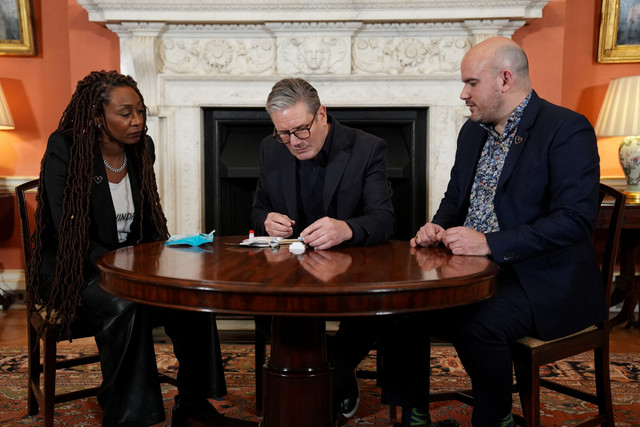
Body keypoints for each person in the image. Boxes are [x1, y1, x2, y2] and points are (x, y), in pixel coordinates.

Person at [27, 70, 239, 427]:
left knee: (193, 296)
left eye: (141, 111)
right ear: (97, 116)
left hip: (131, 267)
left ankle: (193, 406)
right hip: (74, 270)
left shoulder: (143, 148)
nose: (138, 121)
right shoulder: (66, 147)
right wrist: (122, 267)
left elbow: (148, 220)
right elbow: (68, 232)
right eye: (126, 113)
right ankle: (127, 416)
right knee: (125, 304)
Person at [411, 36, 603, 427]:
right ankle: (414, 413)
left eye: (471, 83)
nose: (463, 93)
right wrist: (438, 225)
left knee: (478, 322)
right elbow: (455, 198)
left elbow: (575, 219)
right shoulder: (473, 132)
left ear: (504, 79)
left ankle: (495, 418)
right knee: (403, 309)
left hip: (543, 278)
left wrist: (489, 243)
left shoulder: (566, 129)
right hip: (473, 270)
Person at [251, 78, 430, 423]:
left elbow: (384, 219)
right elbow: (258, 209)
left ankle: (333, 370)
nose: (293, 142)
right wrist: (267, 220)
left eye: (300, 130)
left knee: (379, 304)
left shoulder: (367, 148)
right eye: (283, 134)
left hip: (351, 265)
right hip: (290, 265)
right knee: (260, 298)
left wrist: (345, 228)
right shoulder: (270, 148)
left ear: (322, 115)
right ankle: (328, 375)